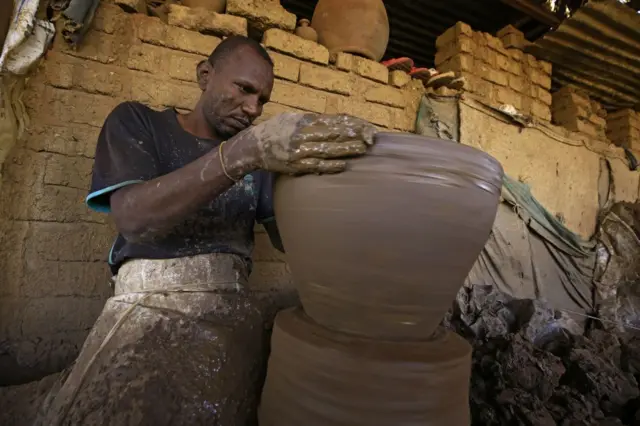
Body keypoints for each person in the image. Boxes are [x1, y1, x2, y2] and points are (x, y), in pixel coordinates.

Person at [33, 36, 377, 425]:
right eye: (244, 89)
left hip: (233, 321)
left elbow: (294, 243)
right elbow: (134, 219)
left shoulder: (259, 161)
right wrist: (242, 154)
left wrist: (326, 186)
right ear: (205, 75)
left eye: (262, 100)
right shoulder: (139, 122)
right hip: (146, 312)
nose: (252, 109)